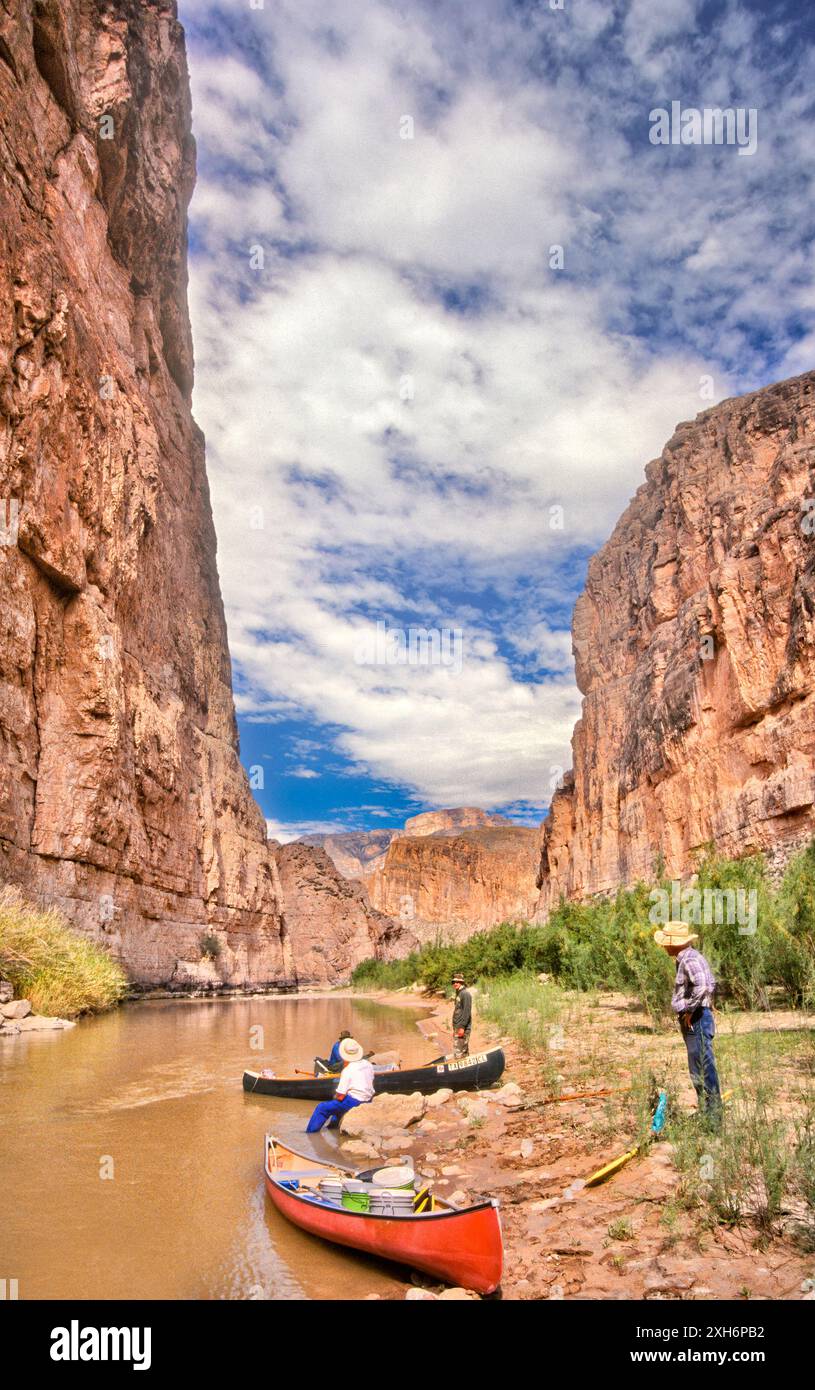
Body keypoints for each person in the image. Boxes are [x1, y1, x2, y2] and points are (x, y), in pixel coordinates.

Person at [654, 921, 721, 1123]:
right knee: (698, 1068)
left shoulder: (689, 959)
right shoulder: (687, 958)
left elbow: (702, 986)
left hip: (697, 1018)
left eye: (667, 942)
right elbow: (709, 983)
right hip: (697, 1017)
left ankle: (713, 1120)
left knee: (703, 1068)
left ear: (675, 943)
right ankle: (707, 1114)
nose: (664, 946)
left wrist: (691, 1009)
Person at [306, 1038, 375, 1132]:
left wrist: (336, 1096)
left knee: (322, 1107)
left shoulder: (348, 1070)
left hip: (356, 1101)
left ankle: (310, 1133)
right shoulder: (368, 1064)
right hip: (368, 1098)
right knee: (337, 1108)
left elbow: (340, 1097)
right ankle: (332, 1128)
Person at [451, 972, 472, 1058]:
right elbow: (458, 1010)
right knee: (461, 1051)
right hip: (458, 1027)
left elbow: (466, 1012)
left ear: (462, 982)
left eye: (457, 982)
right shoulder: (458, 993)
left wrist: (462, 1027)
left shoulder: (465, 994)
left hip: (462, 1027)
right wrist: (455, 1029)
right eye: (453, 982)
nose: (455, 984)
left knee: (460, 1054)